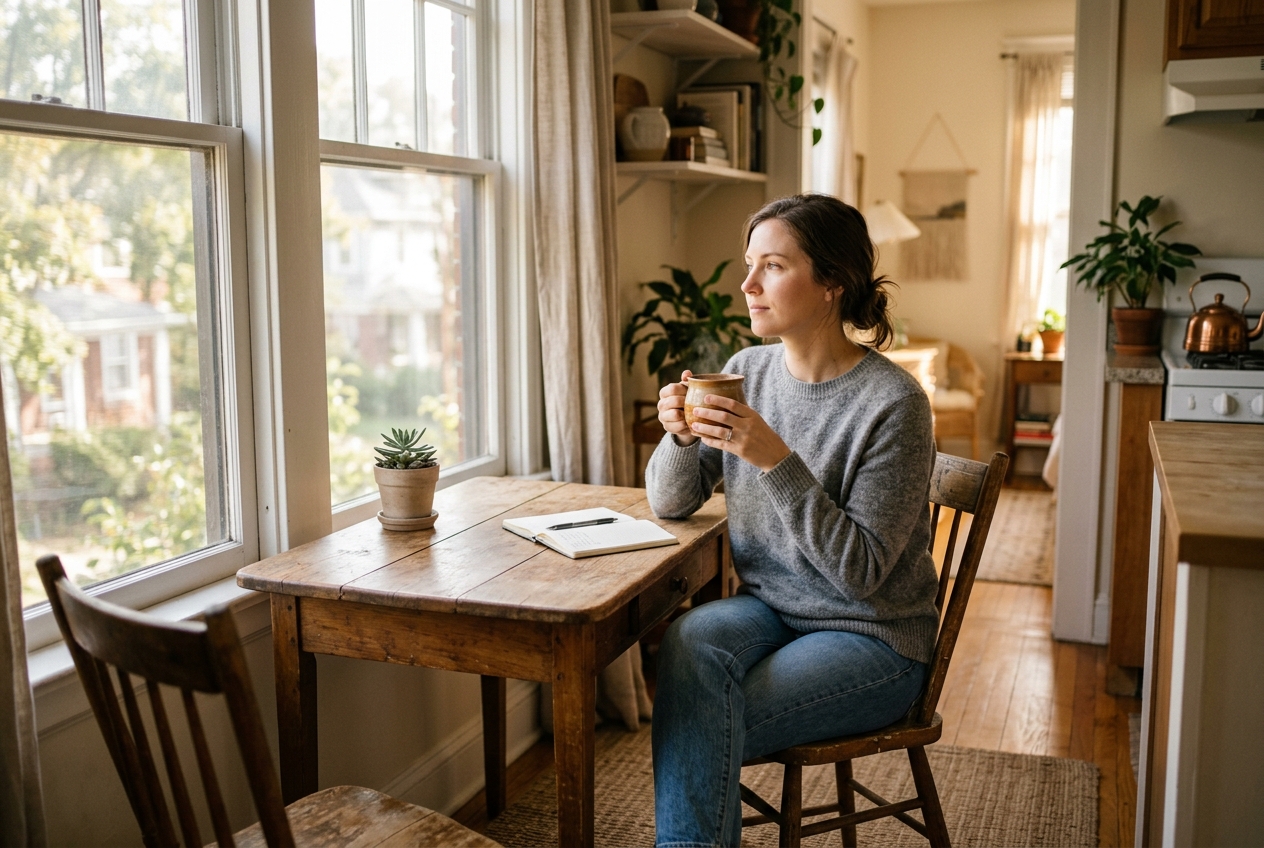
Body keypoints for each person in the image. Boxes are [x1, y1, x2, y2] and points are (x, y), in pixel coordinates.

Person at [646, 194, 940, 847]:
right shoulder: (746, 372)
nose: (747, 286)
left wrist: (773, 457)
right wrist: (682, 438)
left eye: (772, 266)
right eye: (750, 265)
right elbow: (669, 503)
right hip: (773, 610)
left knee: (697, 721)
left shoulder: (893, 404)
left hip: (874, 637)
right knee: (690, 641)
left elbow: (860, 575)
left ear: (833, 282)